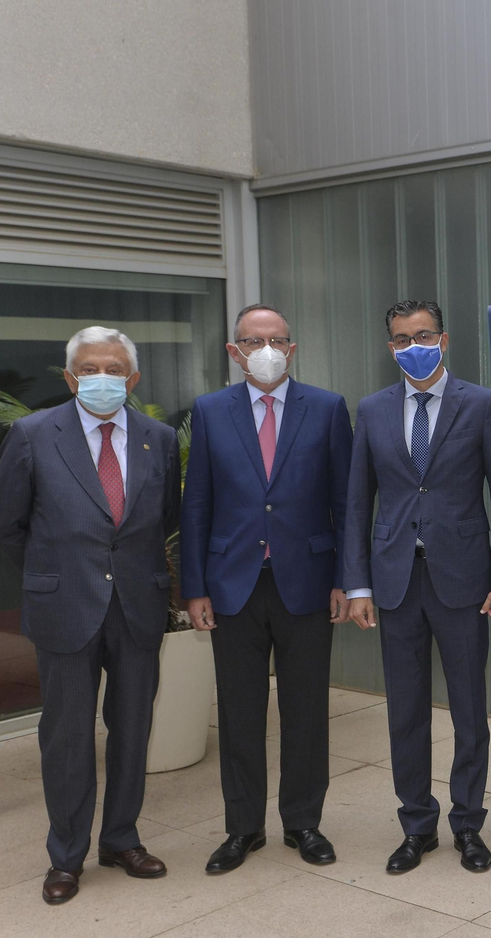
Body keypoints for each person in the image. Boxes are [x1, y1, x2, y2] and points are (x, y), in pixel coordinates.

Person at [0, 326, 179, 905]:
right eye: (90, 369)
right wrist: (56, 572)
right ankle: (65, 855)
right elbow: (5, 524)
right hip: (64, 607)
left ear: (134, 378)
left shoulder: (159, 438)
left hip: (138, 607)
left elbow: (166, 516)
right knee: (67, 736)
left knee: (133, 729)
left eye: (115, 369)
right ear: (70, 378)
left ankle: (121, 839)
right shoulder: (32, 434)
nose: (103, 379)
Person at [343, 300, 491, 874]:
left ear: (443, 340)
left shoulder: (482, 404)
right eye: (400, 339)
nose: (412, 346)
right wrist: (358, 586)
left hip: (466, 581)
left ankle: (468, 825)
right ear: (390, 347)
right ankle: (416, 825)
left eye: (422, 335)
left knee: (469, 711)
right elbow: (355, 505)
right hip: (395, 583)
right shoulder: (371, 410)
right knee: (406, 713)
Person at [180, 304, 354, 874]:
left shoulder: (327, 408)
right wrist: (194, 588)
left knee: (306, 711)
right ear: (235, 352)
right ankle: (242, 829)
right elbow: (197, 503)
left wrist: (346, 580)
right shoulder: (209, 411)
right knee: (238, 711)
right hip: (233, 586)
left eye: (277, 339)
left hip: (306, 582)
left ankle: (303, 823)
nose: (267, 350)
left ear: (293, 347)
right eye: (254, 341)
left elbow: (345, 503)